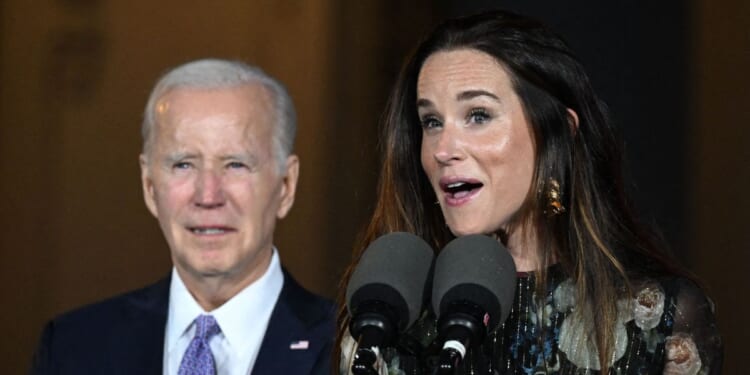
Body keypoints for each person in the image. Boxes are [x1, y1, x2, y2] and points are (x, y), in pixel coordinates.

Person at [337, 10, 722, 374]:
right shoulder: (387, 317)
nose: (442, 149)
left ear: (558, 135)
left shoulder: (659, 318)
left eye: (478, 115)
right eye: (432, 121)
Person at [31, 59, 335, 374]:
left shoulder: (350, 352)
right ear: (149, 187)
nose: (208, 196)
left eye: (236, 164)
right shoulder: (73, 348)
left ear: (286, 186)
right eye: (183, 165)